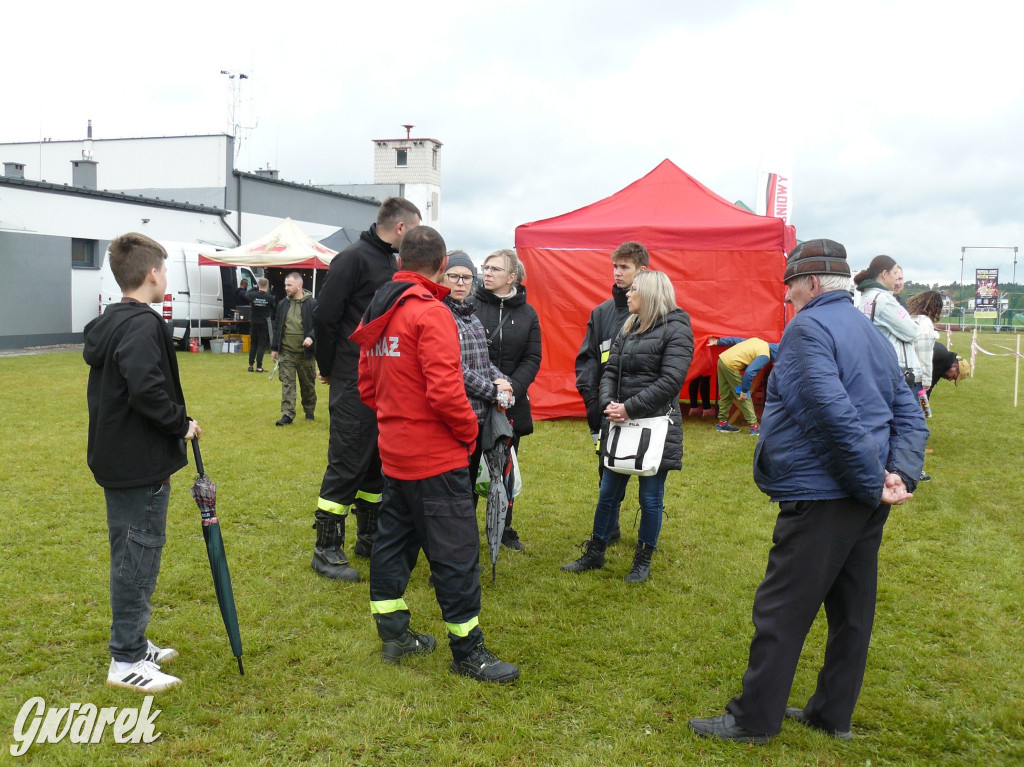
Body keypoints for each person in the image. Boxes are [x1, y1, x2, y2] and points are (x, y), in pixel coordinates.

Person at [688, 239, 928, 744]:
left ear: (811, 283)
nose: (788, 295)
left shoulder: (808, 329)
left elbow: (829, 415)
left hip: (825, 493)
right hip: (865, 495)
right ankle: (830, 713)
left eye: (790, 285)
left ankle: (753, 719)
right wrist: (897, 474)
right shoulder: (869, 330)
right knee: (852, 611)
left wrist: (875, 480)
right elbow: (908, 411)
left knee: (782, 609)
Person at [351, 225, 519, 683]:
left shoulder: (380, 307)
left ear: (400, 260)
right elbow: (447, 393)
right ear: (443, 267)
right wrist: (469, 433)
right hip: (437, 457)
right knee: (456, 555)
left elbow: (366, 385)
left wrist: (396, 416)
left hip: (396, 455)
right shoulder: (430, 313)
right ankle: (468, 652)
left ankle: (394, 635)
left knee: (392, 546)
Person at [83, 232, 202, 693]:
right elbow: (145, 387)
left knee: (136, 552)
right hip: (137, 464)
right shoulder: (142, 324)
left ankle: (133, 640)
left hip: (123, 460)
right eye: (166, 271)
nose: (166, 277)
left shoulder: (114, 321)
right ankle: (126, 659)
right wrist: (180, 424)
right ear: (153, 274)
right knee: (137, 556)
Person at [312, 198, 421, 582]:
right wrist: (329, 366)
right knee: (347, 460)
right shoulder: (353, 258)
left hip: (380, 377)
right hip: (349, 376)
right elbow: (324, 316)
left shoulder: (390, 262)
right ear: (402, 228)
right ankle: (326, 548)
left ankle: (369, 537)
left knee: (376, 460)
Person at [562, 271, 693, 583]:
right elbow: (610, 370)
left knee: (650, 497)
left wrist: (628, 407)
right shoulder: (629, 326)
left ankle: (642, 560)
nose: (627, 294)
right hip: (621, 421)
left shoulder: (677, 328)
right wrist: (609, 403)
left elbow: (671, 382)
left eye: (633, 290)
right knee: (608, 492)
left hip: (656, 426)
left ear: (648, 294)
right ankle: (595, 551)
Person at [574, 241, 650, 544]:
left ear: (642, 271)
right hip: (605, 408)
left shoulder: (655, 312)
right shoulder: (601, 313)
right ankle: (609, 529)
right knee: (607, 469)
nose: (617, 273)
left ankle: (648, 535)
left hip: (642, 407)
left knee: (648, 474)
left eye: (624, 267)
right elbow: (588, 357)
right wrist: (592, 399)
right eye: (615, 266)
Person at [473, 248, 542, 551]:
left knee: (505, 467)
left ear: (512, 276)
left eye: (495, 269)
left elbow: (533, 356)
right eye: (485, 267)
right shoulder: (470, 305)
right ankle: (462, 529)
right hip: (473, 399)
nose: (487, 273)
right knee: (469, 468)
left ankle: (505, 527)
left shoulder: (528, 314)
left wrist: (512, 385)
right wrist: (486, 384)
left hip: (511, 404)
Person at [441, 251, 515, 489]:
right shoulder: (441, 314)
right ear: (442, 278)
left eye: (467, 277)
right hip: (457, 415)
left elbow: (483, 361)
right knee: (456, 484)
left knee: (471, 481)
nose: (461, 283)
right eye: (454, 276)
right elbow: (455, 368)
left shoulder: (470, 316)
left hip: (480, 417)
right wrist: (494, 393)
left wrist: (504, 381)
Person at [854, 255, 922, 386]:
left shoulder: (866, 297)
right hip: (896, 373)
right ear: (884, 274)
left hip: (876, 369)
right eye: (895, 273)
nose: (897, 279)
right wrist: (916, 324)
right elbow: (912, 332)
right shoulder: (884, 300)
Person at [271, 272, 317, 427]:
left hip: (305, 354)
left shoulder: (312, 304)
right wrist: (274, 348)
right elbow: (277, 326)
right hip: (287, 353)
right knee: (287, 384)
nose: (286, 288)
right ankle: (287, 414)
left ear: (299, 285)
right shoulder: (283, 304)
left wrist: (311, 337)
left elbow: (320, 325)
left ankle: (309, 411)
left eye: (289, 285)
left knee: (308, 386)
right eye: (285, 285)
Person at [710, 337, 778, 435]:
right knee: (744, 397)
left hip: (722, 360)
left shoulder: (759, 341)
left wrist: (718, 342)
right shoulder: (765, 355)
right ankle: (754, 427)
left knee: (726, 394)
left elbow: (737, 340)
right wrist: (744, 391)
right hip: (731, 366)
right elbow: (749, 372)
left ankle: (722, 423)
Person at [246, 277, 276, 373]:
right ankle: (259, 367)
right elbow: (274, 308)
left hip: (254, 321)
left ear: (258, 285)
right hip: (264, 322)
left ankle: (251, 365)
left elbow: (246, 295)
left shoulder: (252, 295)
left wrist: (254, 288)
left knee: (253, 343)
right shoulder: (270, 297)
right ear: (267, 286)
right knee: (262, 344)